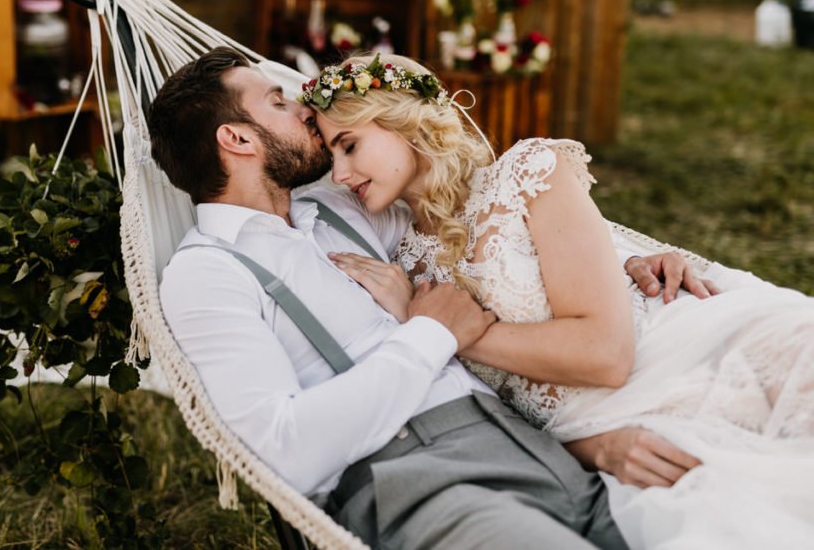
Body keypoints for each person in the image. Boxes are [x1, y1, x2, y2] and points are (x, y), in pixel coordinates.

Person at [147, 47, 693, 549]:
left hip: (541, 449)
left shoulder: (341, 209)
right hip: (422, 482)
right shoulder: (207, 271)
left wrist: (616, 257)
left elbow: (472, 225)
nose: (302, 110)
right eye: (277, 101)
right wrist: (430, 334)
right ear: (237, 140)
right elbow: (281, 452)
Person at [304, 52, 814, 548]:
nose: (342, 174)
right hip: (607, 428)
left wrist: (444, 331)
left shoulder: (527, 172)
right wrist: (589, 449)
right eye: (332, 156)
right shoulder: (403, 269)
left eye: (350, 146)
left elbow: (606, 354)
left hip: (684, 352)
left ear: (403, 122)